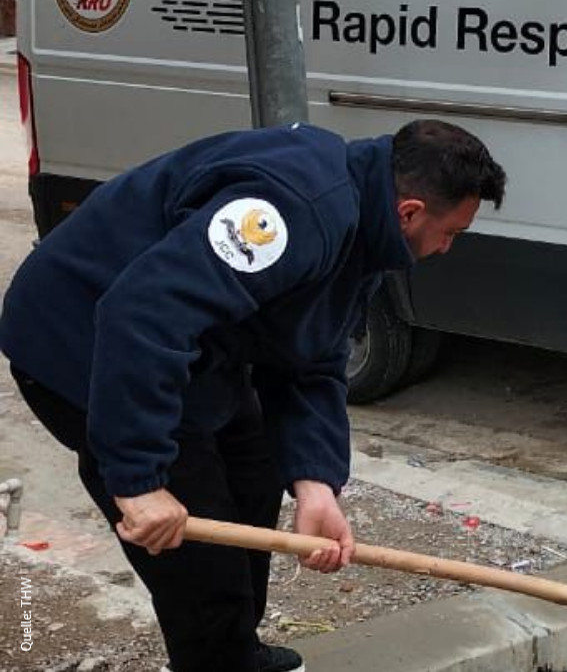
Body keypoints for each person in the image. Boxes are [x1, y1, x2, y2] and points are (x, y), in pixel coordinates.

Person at [0, 119, 506, 672]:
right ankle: (220, 658)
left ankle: (237, 648)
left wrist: (316, 486)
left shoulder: (367, 225)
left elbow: (312, 355)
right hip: (80, 341)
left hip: (190, 350)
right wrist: (139, 479)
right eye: (450, 232)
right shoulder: (291, 213)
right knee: (199, 563)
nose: (447, 248)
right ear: (409, 211)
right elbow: (142, 316)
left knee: (253, 479)